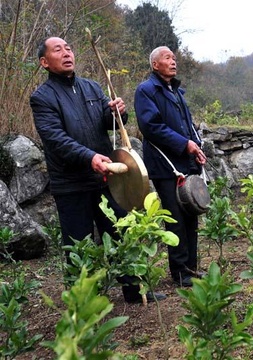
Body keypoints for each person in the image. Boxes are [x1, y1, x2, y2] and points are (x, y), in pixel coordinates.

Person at [29, 37, 164, 303]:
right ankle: (84, 303)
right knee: (79, 245)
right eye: (58, 50)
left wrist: (118, 113)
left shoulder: (91, 87)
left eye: (68, 48)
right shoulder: (42, 98)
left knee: (120, 234)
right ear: (45, 62)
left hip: (106, 180)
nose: (67, 53)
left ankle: (135, 291)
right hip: (71, 185)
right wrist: (89, 157)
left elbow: (111, 124)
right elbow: (55, 139)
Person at [134, 46, 207, 288]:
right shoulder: (146, 91)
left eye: (174, 58)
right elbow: (151, 127)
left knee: (191, 214)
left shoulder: (176, 91)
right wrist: (183, 144)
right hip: (165, 166)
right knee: (175, 218)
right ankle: (180, 271)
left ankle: (191, 267)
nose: (173, 62)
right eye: (167, 58)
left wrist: (196, 146)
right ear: (155, 65)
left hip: (186, 161)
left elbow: (189, 125)